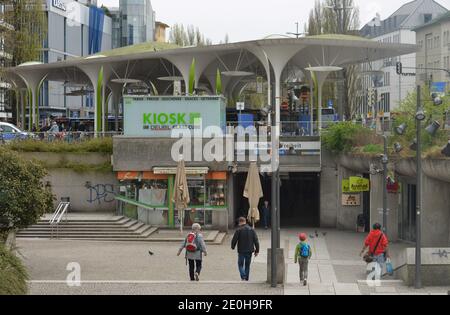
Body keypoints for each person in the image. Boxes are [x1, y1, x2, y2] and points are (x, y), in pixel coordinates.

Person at [231, 217, 260, 281]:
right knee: (247, 265)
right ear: (245, 221)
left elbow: (234, 240)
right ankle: (246, 278)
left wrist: (233, 247)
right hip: (249, 251)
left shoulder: (238, 230)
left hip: (241, 251)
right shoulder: (251, 229)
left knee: (240, 264)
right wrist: (257, 250)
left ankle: (243, 275)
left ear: (240, 222)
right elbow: (256, 240)